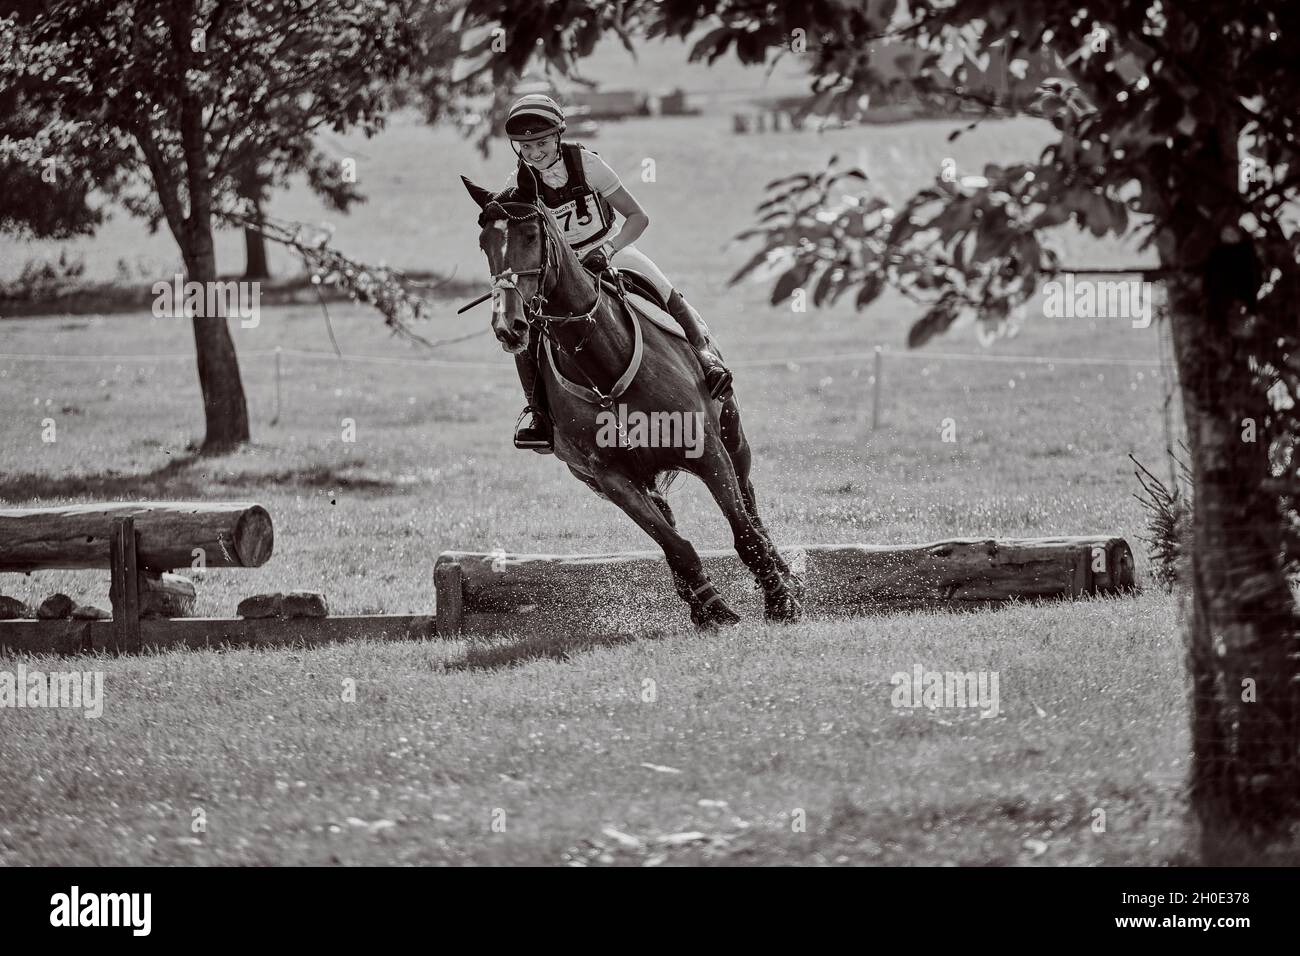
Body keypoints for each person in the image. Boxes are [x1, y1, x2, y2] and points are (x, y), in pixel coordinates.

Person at [501, 93, 733, 451]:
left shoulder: (588, 165)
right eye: (526, 146)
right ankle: (539, 414)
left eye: (542, 142)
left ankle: (705, 359)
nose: (534, 153)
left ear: (558, 136)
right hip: (560, 268)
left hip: (609, 248)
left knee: (660, 285)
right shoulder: (521, 182)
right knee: (528, 326)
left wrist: (607, 250)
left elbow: (638, 217)